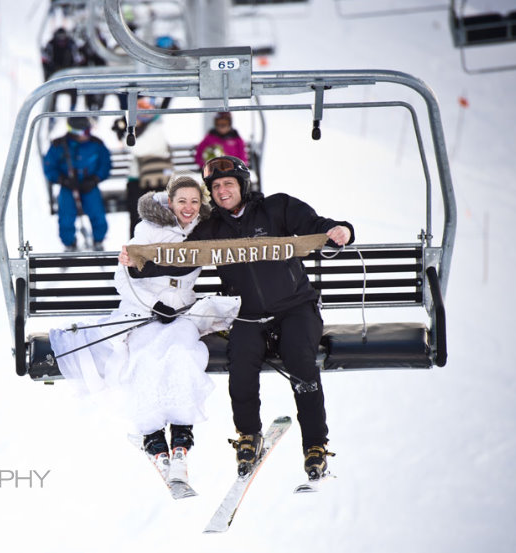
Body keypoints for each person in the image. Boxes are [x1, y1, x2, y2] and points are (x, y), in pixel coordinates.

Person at [50, 174, 240, 484]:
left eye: (195, 201)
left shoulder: (201, 233)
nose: (188, 208)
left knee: (181, 352)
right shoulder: (148, 232)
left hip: (182, 316)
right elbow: (122, 280)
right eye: (182, 201)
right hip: (144, 315)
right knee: (145, 357)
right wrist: (154, 304)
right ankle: (154, 439)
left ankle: (181, 440)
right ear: (170, 202)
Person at [187, 155, 354, 480]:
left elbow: (315, 225)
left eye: (228, 184)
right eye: (216, 186)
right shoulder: (212, 228)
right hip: (248, 315)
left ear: (242, 185)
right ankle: (248, 434)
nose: (222, 191)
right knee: (241, 365)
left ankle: (315, 444)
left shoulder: (276, 208)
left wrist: (340, 230)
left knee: (300, 361)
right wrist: (142, 260)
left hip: (295, 308)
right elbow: (178, 256)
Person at [43, 117, 111, 251]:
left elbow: (105, 164)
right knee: (66, 215)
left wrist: (95, 179)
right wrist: (62, 180)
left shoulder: (96, 144)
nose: (87, 135)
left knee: (97, 212)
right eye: (85, 132)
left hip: (89, 185)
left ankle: (98, 240)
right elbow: (49, 167)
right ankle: (69, 242)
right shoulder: (59, 146)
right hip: (68, 186)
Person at [112, 97, 174, 237]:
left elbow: (137, 148)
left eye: (146, 110)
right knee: (136, 215)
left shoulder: (155, 128)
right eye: (139, 109)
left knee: (156, 218)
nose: (142, 115)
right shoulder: (137, 129)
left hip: (157, 181)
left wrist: (123, 133)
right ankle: (136, 246)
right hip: (137, 180)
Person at [41, 28, 83, 111]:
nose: (61, 41)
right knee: (52, 92)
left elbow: (78, 59)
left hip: (69, 76)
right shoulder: (51, 45)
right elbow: (46, 61)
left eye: (63, 38)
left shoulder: (71, 45)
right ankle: (51, 112)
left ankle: (73, 110)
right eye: (59, 38)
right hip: (55, 76)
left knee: (74, 90)